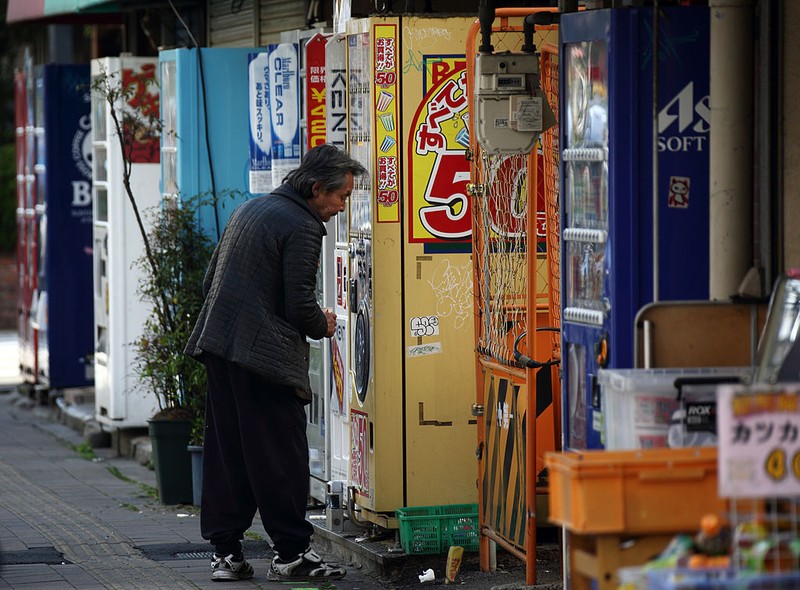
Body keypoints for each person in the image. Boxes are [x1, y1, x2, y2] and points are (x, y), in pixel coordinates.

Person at [185, 144, 367, 582]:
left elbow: (211, 280)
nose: (342, 208)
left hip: (219, 347)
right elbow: (299, 303)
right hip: (263, 359)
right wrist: (323, 323)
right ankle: (292, 554)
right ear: (317, 188)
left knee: (229, 454)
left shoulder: (251, 209)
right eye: (341, 196)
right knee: (280, 455)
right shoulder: (302, 225)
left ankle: (226, 555)